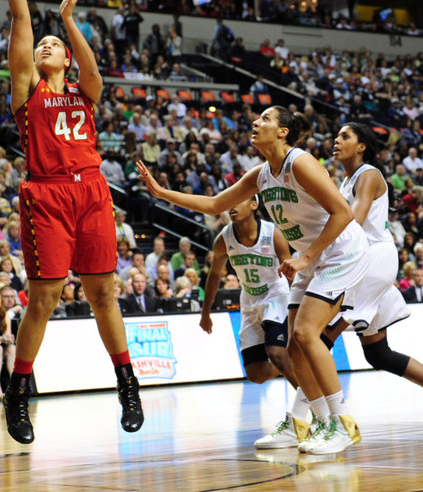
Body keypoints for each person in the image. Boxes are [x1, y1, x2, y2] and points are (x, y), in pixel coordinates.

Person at [0, 0, 142, 445]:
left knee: (103, 294)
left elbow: (93, 73)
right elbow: (21, 18)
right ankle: (20, 392)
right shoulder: (27, 92)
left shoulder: (82, 90)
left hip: (91, 190)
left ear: (65, 56)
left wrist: (69, 23)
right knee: (43, 298)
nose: (44, 45)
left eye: (54, 44)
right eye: (42, 43)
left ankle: (127, 383)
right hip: (46, 193)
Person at [137, 105, 369, 455]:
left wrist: (306, 255)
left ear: (282, 132)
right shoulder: (261, 174)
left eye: (265, 119)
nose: (255, 123)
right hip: (310, 260)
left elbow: (344, 212)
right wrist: (163, 194)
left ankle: (343, 424)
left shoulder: (300, 162)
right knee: (293, 348)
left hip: (341, 253)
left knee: (306, 333)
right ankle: (316, 423)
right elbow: (216, 204)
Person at [319, 123, 423, 434]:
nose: (336, 141)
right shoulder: (349, 178)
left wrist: (316, 252)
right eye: (336, 136)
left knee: (318, 338)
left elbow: (356, 219)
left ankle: (316, 421)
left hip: (369, 260)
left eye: (345, 137)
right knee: (378, 353)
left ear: (362, 146)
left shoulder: (369, 174)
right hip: (366, 259)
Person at [203, 197, 301, 449]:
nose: (231, 206)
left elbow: (291, 272)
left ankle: (311, 405)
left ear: (254, 205)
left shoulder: (273, 233)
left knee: (276, 352)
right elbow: (215, 275)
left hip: (276, 294)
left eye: (239, 201)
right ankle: (299, 367)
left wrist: (298, 307)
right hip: (248, 299)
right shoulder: (223, 239)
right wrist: (206, 312)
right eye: (228, 204)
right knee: (256, 375)